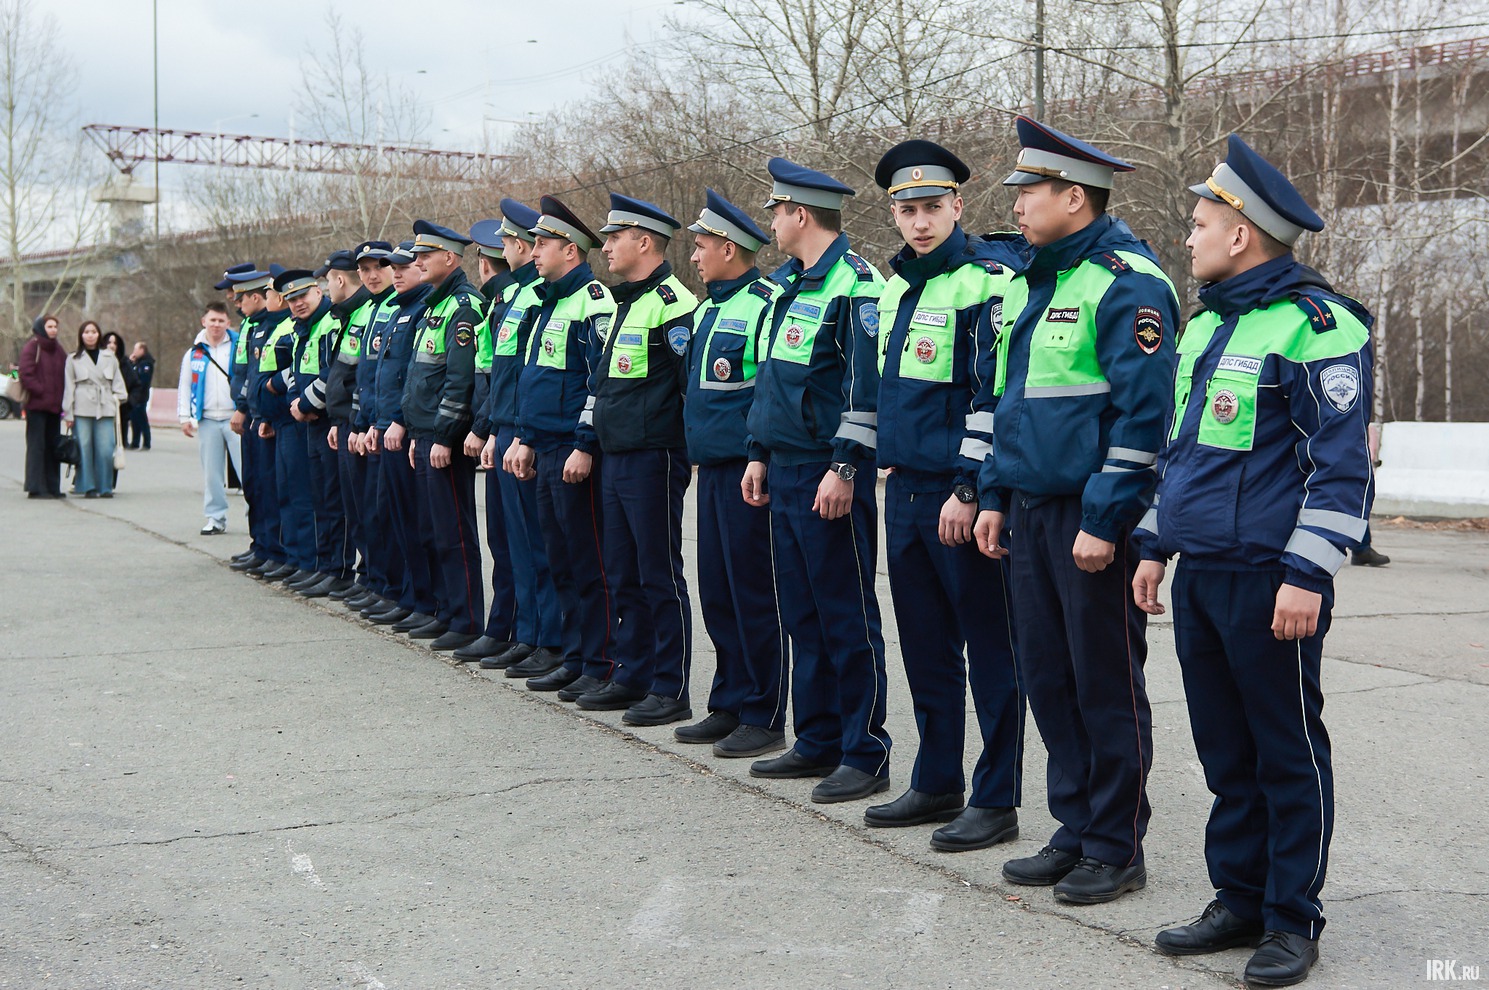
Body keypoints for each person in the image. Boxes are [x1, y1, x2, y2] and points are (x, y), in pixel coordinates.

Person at [1133, 134, 1375, 988]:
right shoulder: (1208, 327)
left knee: (1284, 748)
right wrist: (1155, 545)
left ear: (1239, 233)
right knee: (1224, 751)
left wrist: (1308, 574)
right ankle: (1236, 897)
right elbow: (1184, 451)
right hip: (1202, 574)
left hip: (1274, 582)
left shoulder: (1318, 325)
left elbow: (1340, 468)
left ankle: (1289, 918)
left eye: (1199, 224)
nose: (1189, 237)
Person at [971, 117, 1179, 904]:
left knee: (1103, 682)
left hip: (1093, 519)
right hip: (1030, 508)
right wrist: (994, 493)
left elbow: (1141, 417)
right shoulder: (1037, 279)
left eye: (1028, 192)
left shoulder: (1126, 282)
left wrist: (1105, 518)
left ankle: (1115, 844)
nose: (1017, 205)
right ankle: (1074, 827)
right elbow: (1011, 403)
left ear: (1073, 198)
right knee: (1049, 678)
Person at [866, 141, 1029, 850]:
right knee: (926, 647)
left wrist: (967, 484)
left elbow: (988, 393)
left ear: (957, 207)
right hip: (901, 488)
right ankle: (936, 781)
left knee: (989, 648)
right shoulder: (896, 286)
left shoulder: (986, 281)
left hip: (954, 493)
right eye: (907, 210)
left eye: (932, 208)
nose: (920, 222)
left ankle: (995, 799)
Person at [742, 157, 892, 804]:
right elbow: (773, 381)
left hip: (827, 472)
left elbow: (864, 387)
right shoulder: (786, 286)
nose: (770, 221)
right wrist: (756, 451)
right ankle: (818, 738)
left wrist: (844, 466)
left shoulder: (855, 286)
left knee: (844, 615)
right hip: (782, 465)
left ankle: (864, 751)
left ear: (799, 215)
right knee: (802, 612)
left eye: (775, 210)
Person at [675, 189, 788, 757]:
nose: (694, 257)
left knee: (752, 590)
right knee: (717, 589)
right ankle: (730, 698)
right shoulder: (706, 308)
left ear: (727, 247)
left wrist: (756, 456)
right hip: (711, 469)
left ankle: (764, 711)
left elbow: (764, 391)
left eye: (700, 247)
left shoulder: (765, 302)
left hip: (746, 468)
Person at [579, 193, 699, 725]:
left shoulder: (676, 306)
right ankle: (633, 671)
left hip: (654, 457)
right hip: (616, 454)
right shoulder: (623, 300)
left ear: (643, 241)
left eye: (613, 238)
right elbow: (604, 384)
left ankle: (670, 685)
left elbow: (687, 390)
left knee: (657, 572)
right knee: (623, 570)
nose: (605, 247)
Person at [504, 195, 619, 697]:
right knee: (560, 560)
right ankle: (574, 655)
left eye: (543, 244)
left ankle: (601, 661)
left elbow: (599, 382)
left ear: (570, 249)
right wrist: (526, 439)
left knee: (588, 561)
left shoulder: (592, 301)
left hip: (573, 452)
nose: (534, 253)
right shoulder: (547, 300)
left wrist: (585, 443)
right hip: (544, 446)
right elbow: (534, 379)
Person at [476, 199, 565, 674]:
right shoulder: (510, 298)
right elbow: (502, 374)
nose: (512, 250)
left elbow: (527, 376)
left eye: (513, 242)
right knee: (515, 539)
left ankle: (548, 637)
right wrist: (494, 428)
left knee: (538, 541)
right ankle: (528, 632)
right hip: (509, 425)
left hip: (525, 429)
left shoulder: (536, 297)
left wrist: (510, 431)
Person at [403, 220, 487, 650]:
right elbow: (419, 376)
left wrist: (443, 435)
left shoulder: (464, 307)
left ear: (450, 258)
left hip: (444, 439)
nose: (417, 262)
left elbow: (460, 381)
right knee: (434, 530)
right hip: (425, 433)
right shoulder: (434, 306)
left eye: (425, 255)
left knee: (454, 531)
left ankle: (467, 618)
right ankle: (447, 609)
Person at [457, 219, 521, 663]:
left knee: (523, 545)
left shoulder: (515, 301)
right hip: (499, 429)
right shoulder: (498, 303)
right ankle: (506, 628)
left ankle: (526, 634)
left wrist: (487, 428)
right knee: (504, 541)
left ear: (484, 262)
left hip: (508, 431)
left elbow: (504, 380)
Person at [177, 302, 243, 534]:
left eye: (220, 320)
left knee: (247, 471)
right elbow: (185, 386)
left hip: (236, 419)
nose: (216, 325)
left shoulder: (237, 346)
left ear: (228, 322)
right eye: (212, 320)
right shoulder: (194, 353)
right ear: (203, 321)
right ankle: (216, 518)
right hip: (207, 420)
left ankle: (258, 515)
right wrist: (185, 416)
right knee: (212, 474)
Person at [62, 320, 128, 498]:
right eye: (86, 332)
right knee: (84, 447)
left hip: (105, 406)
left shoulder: (109, 357)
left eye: (93, 331)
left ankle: (105, 486)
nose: (90, 335)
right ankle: (87, 486)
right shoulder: (73, 359)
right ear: (81, 336)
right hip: (81, 407)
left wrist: (118, 398)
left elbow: (118, 383)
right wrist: (68, 413)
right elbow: (69, 388)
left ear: (99, 335)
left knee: (106, 447)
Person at [19, 314, 67, 499]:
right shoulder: (33, 346)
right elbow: (25, 373)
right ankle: (36, 487)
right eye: (49, 326)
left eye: (55, 326)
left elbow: (65, 373)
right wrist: (42, 391)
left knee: (52, 447)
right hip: (37, 407)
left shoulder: (58, 349)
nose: (53, 330)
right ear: (41, 328)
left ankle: (52, 486)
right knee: (37, 447)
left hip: (54, 408)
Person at [124, 340, 155, 450]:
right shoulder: (137, 363)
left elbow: (143, 380)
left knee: (142, 420)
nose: (134, 352)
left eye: (136, 349)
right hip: (134, 396)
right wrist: (131, 363)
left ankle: (147, 442)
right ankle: (135, 442)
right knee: (134, 420)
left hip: (141, 396)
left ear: (142, 350)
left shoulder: (146, 363)